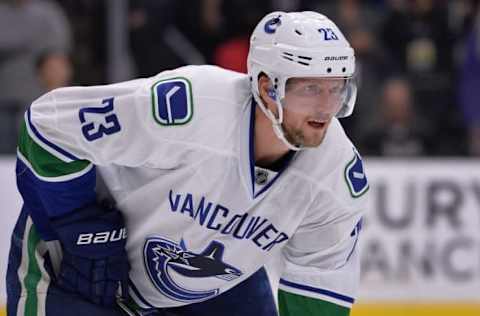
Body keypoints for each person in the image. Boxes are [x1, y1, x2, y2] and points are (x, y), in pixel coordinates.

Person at [7, 11, 368, 316]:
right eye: (310, 89)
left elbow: (319, 282)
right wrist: (79, 227)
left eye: (335, 88)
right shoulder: (189, 107)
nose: (326, 107)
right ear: (266, 87)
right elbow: (48, 127)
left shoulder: (336, 175)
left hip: (208, 291)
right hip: (75, 273)